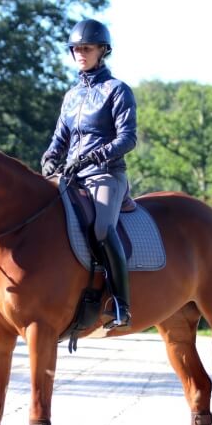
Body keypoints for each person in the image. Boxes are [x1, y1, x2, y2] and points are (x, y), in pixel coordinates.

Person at [41, 18, 137, 329]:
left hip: (106, 174)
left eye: (87, 48)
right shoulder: (71, 96)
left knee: (101, 229)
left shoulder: (117, 90)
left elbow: (127, 139)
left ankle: (121, 305)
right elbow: (59, 140)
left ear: (102, 51)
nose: (80, 54)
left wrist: (92, 157)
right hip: (71, 175)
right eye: (76, 49)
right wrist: (49, 159)